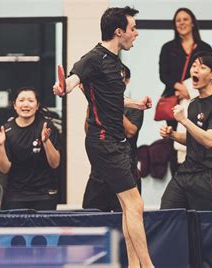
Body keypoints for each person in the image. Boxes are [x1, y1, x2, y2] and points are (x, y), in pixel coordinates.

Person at [52, 7, 154, 267]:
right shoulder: (94, 58)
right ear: (119, 32)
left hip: (117, 142)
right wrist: (63, 87)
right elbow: (74, 80)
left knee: (127, 206)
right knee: (135, 204)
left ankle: (133, 265)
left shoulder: (115, 61)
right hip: (103, 141)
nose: (137, 33)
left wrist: (137, 104)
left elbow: (113, 97)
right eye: (133, 28)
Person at [160, 51, 212, 211]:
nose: (195, 70)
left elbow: (209, 140)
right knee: (166, 215)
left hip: (210, 174)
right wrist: (172, 135)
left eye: (202, 67)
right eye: (193, 66)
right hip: (186, 171)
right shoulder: (193, 104)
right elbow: (193, 138)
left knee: (206, 227)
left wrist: (184, 121)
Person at [83, 66, 144, 212]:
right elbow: (87, 130)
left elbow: (130, 132)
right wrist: (94, 103)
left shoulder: (135, 106)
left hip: (125, 172)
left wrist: (111, 105)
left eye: (119, 78)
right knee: (90, 219)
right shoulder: (95, 103)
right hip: (99, 175)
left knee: (127, 216)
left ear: (126, 81)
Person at [0, 87, 60, 210]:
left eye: (30, 100)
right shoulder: (6, 129)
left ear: (37, 105)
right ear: (15, 105)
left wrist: (46, 141)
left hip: (43, 195)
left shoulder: (46, 126)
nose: (26, 104)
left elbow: (55, 163)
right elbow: (4, 169)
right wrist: (0, 145)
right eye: (21, 100)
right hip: (15, 196)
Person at [159, 8, 212, 130]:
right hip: (175, 98)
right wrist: (181, 89)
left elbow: (210, 74)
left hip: (199, 98)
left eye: (185, 19)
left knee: (198, 133)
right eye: (178, 20)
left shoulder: (205, 48)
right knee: (174, 136)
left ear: (192, 23)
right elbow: (163, 75)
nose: (182, 22)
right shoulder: (168, 48)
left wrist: (190, 91)